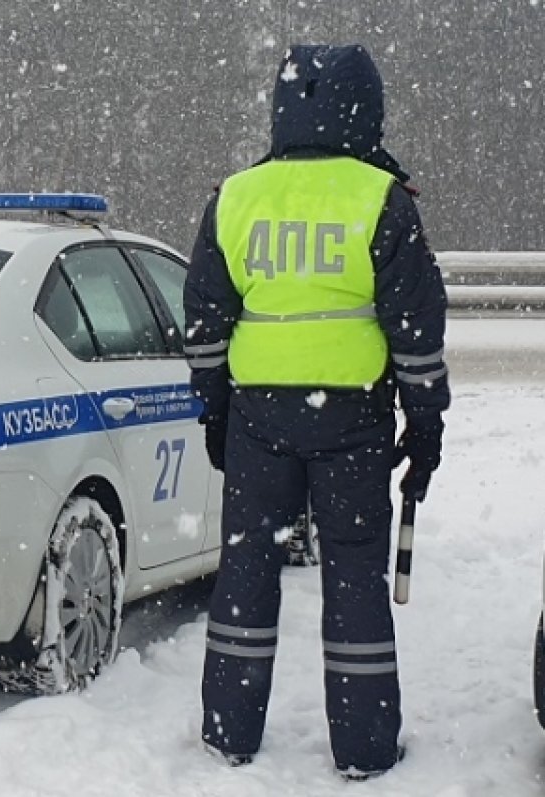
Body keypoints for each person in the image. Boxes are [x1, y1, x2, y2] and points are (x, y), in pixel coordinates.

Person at [183, 44, 449, 780]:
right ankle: (363, 746)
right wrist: (425, 425)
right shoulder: (381, 199)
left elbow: (205, 319)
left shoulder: (235, 198)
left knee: (246, 570)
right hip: (354, 419)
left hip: (257, 420)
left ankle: (229, 730)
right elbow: (417, 330)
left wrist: (213, 408)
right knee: (357, 577)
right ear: (367, 109)